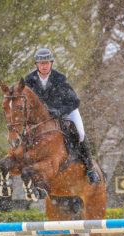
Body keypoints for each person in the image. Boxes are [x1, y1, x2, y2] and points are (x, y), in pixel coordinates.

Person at [24, 48, 101, 184]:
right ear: (36, 64)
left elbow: (74, 101)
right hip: (42, 118)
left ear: (51, 63)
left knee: (80, 133)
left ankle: (90, 169)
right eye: (41, 63)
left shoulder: (59, 78)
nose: (44, 66)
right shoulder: (29, 80)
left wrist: (59, 111)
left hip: (66, 110)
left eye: (46, 63)